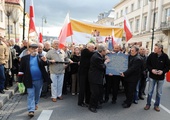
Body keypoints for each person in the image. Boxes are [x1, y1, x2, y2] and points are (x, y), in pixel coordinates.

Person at [18, 43, 50, 117]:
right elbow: (21, 70)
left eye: (36, 48)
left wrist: (45, 61)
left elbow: (47, 64)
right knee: (30, 94)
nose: (34, 50)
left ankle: (35, 103)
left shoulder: (41, 57)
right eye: (33, 48)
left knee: (37, 94)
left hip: (39, 79)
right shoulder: (24, 58)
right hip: (28, 80)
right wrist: (19, 80)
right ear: (29, 49)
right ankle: (31, 110)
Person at [144, 43, 170, 112]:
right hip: (152, 77)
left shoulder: (165, 56)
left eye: (155, 48)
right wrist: (151, 70)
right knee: (150, 91)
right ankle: (148, 104)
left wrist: (163, 71)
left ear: (160, 49)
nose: (154, 49)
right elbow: (147, 64)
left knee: (159, 93)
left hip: (161, 78)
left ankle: (156, 105)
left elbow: (168, 66)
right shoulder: (152, 55)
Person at [88, 43, 109, 113]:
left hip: (97, 77)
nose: (106, 52)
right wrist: (106, 62)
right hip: (94, 78)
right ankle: (91, 106)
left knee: (98, 92)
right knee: (95, 93)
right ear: (102, 51)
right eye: (105, 51)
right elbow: (102, 67)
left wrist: (104, 58)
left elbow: (100, 60)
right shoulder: (97, 57)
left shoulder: (98, 55)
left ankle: (96, 104)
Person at [78, 43, 95, 107]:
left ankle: (87, 101)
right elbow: (92, 54)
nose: (93, 49)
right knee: (82, 88)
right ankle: (80, 102)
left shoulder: (90, 53)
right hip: (83, 73)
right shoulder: (85, 51)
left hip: (87, 73)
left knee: (88, 87)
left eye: (94, 48)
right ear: (88, 47)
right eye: (92, 48)